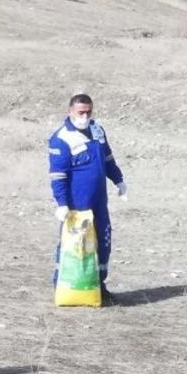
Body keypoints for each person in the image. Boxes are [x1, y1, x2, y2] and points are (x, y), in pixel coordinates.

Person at [48, 93, 127, 302]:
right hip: (77, 203)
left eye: (88, 111)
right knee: (74, 244)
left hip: (99, 201)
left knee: (103, 241)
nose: (85, 116)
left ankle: (98, 285)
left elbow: (108, 158)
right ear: (70, 112)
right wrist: (62, 203)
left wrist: (118, 179)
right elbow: (58, 175)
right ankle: (63, 285)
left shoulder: (97, 130)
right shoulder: (61, 138)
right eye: (80, 112)